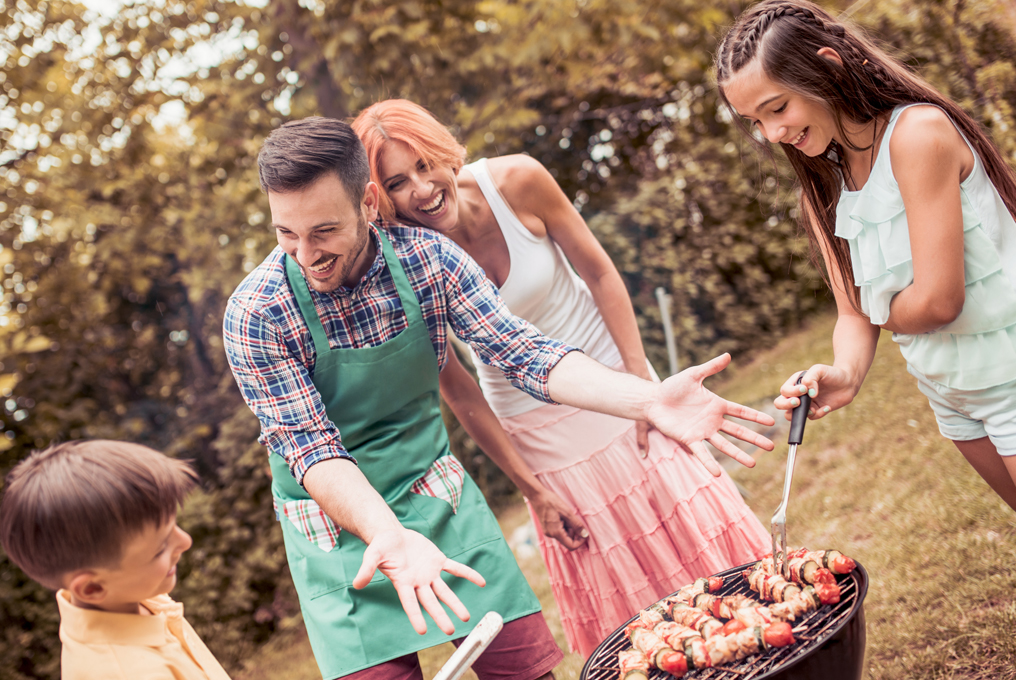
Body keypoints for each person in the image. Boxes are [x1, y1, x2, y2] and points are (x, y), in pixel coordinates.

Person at [223, 116, 775, 679]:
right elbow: (312, 448)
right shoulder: (256, 315)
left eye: (323, 231)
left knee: (525, 671)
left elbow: (523, 352)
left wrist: (646, 398)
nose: (305, 254)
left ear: (367, 203)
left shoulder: (429, 260)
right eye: (286, 233)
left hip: (435, 496)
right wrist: (387, 534)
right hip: (337, 534)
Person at [716, 1, 1016, 510]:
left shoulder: (917, 135)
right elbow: (852, 314)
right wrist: (845, 373)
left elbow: (939, 302)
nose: (771, 134)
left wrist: (874, 308)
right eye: (755, 121)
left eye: (778, 108)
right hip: (950, 392)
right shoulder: (822, 190)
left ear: (828, 66)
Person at [0, 440, 231, 680]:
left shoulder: (127, 594)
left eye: (175, 525)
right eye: (160, 548)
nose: (186, 542)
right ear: (92, 588)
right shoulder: (132, 673)